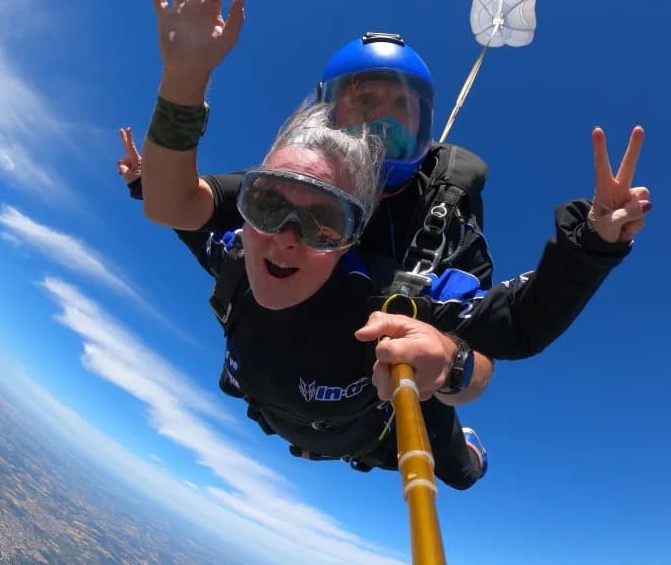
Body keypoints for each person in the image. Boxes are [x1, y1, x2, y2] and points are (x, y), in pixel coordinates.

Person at [135, 0, 652, 402]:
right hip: (280, 379)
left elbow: (503, 332)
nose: (374, 142)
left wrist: (589, 244)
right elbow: (173, 204)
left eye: (396, 121)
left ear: (426, 135)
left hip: (369, 412)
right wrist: (185, 79)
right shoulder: (296, 181)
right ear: (323, 118)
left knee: (455, 457)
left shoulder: (439, 217)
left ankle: (462, 451)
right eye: (360, 111)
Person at [161, 102, 494, 489]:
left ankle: (466, 449)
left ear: (349, 240)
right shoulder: (241, 259)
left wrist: (453, 366)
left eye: (324, 226)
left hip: (379, 442)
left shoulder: (382, 306)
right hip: (293, 419)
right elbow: (181, 215)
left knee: (459, 472)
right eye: (267, 208)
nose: (286, 238)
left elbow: (477, 361)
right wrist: (144, 181)